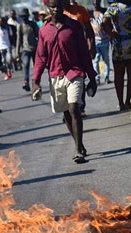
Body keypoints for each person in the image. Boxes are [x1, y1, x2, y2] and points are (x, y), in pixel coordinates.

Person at [32, 0, 97, 163]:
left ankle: (77, 149)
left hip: (74, 73)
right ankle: (79, 143)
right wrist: (36, 80)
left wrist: (92, 77)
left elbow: (83, 52)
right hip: (55, 76)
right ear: (48, 8)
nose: (55, 9)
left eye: (58, 6)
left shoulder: (74, 26)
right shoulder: (44, 30)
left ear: (63, 6)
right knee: (66, 113)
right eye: (52, 6)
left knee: (75, 108)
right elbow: (40, 57)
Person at [102, 0, 131, 111]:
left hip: (119, 45)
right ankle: (127, 101)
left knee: (119, 76)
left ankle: (121, 103)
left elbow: (104, 23)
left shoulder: (114, 7)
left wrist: (112, 33)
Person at [16, 8, 39, 92]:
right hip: (25, 49)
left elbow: (39, 36)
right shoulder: (21, 26)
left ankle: (36, 82)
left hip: (34, 48)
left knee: (36, 66)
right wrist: (17, 53)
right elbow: (18, 40)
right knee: (26, 65)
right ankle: (26, 82)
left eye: (25, 16)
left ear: (28, 16)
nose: (24, 18)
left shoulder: (33, 24)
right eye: (22, 17)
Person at [91, 3, 112, 85]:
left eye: (97, 1)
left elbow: (106, 24)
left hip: (104, 41)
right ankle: (97, 78)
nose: (95, 3)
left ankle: (107, 77)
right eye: (94, 1)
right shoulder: (90, 13)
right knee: (96, 60)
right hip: (95, 42)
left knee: (106, 59)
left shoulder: (104, 12)